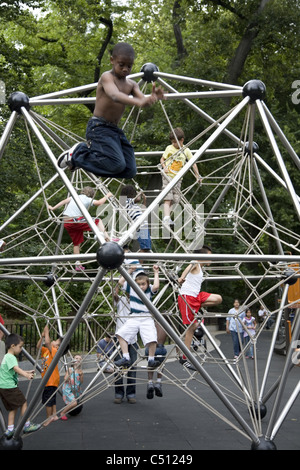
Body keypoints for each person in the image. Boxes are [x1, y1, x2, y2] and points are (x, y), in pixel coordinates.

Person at [57, 42, 165, 178]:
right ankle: (78, 154)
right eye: (121, 65)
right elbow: (115, 95)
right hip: (99, 127)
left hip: (114, 130)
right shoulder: (107, 77)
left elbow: (142, 101)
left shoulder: (131, 85)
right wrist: (139, 101)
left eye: (129, 66)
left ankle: (84, 160)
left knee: (130, 170)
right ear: (112, 61)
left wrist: (152, 99)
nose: (125, 69)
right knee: (117, 164)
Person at [177, 246, 222, 370]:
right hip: (187, 297)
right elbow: (189, 266)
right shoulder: (196, 263)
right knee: (191, 328)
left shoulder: (201, 269)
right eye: (209, 256)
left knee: (218, 298)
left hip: (196, 297)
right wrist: (182, 277)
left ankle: (198, 306)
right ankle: (184, 358)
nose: (211, 259)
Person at [48, 186, 112, 270]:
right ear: (91, 195)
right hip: (74, 220)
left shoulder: (74, 196)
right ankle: (107, 238)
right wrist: (108, 195)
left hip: (67, 222)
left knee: (77, 243)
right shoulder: (86, 199)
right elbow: (99, 203)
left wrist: (53, 208)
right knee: (98, 220)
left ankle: (77, 264)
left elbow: (64, 201)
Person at [115, 265, 160, 370]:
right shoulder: (132, 288)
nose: (140, 287)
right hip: (134, 317)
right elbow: (121, 282)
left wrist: (156, 272)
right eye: (138, 284)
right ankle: (126, 357)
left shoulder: (149, 290)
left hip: (146, 317)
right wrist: (129, 271)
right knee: (120, 334)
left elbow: (156, 286)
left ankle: (151, 359)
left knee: (152, 339)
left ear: (147, 284)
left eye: (143, 284)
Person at [0, 333, 41, 438]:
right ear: (13, 346)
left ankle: (9, 430)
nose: (21, 349)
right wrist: (26, 375)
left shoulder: (7, 357)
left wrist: (26, 371)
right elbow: (16, 369)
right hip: (9, 387)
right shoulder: (11, 357)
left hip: (3, 387)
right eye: (20, 347)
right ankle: (26, 425)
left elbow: (12, 371)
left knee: (13, 408)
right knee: (23, 403)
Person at [160, 127, 201, 225]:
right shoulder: (169, 148)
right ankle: (166, 218)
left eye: (175, 142)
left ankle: (167, 217)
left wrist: (197, 175)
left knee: (176, 200)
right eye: (173, 142)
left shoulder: (186, 150)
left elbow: (193, 163)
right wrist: (164, 167)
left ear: (182, 140)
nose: (174, 144)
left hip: (178, 178)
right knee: (168, 197)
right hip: (168, 176)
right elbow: (162, 159)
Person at [37, 325, 68, 426]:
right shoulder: (47, 351)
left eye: (56, 341)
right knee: (52, 398)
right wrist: (42, 336)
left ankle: (48, 418)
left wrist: (46, 331)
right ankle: (54, 414)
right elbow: (38, 347)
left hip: (51, 380)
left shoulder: (54, 351)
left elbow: (47, 342)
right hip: (51, 380)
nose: (53, 341)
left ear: (58, 347)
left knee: (48, 400)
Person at [113, 285, 138, 404]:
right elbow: (114, 294)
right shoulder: (121, 300)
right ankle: (119, 393)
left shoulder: (137, 302)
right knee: (118, 367)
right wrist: (118, 282)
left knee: (132, 367)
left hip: (132, 340)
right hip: (120, 340)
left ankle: (131, 394)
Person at [120, 184, 151, 252]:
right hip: (140, 225)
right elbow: (138, 198)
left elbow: (143, 211)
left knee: (145, 248)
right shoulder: (126, 201)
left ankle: (139, 262)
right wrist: (139, 193)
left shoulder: (133, 205)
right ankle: (139, 262)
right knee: (145, 248)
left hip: (142, 225)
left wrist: (145, 199)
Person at [145, 323, 167, 399]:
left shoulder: (151, 324)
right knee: (161, 364)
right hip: (161, 348)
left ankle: (150, 382)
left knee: (150, 364)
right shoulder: (164, 325)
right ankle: (158, 382)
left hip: (150, 348)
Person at [60, 355, 83, 421]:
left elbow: (81, 382)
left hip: (76, 389)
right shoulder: (70, 369)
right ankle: (62, 413)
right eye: (76, 358)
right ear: (73, 360)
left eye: (80, 359)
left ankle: (70, 408)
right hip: (68, 389)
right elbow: (65, 379)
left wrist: (81, 375)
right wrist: (68, 376)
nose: (78, 359)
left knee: (76, 401)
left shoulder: (80, 371)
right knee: (74, 403)